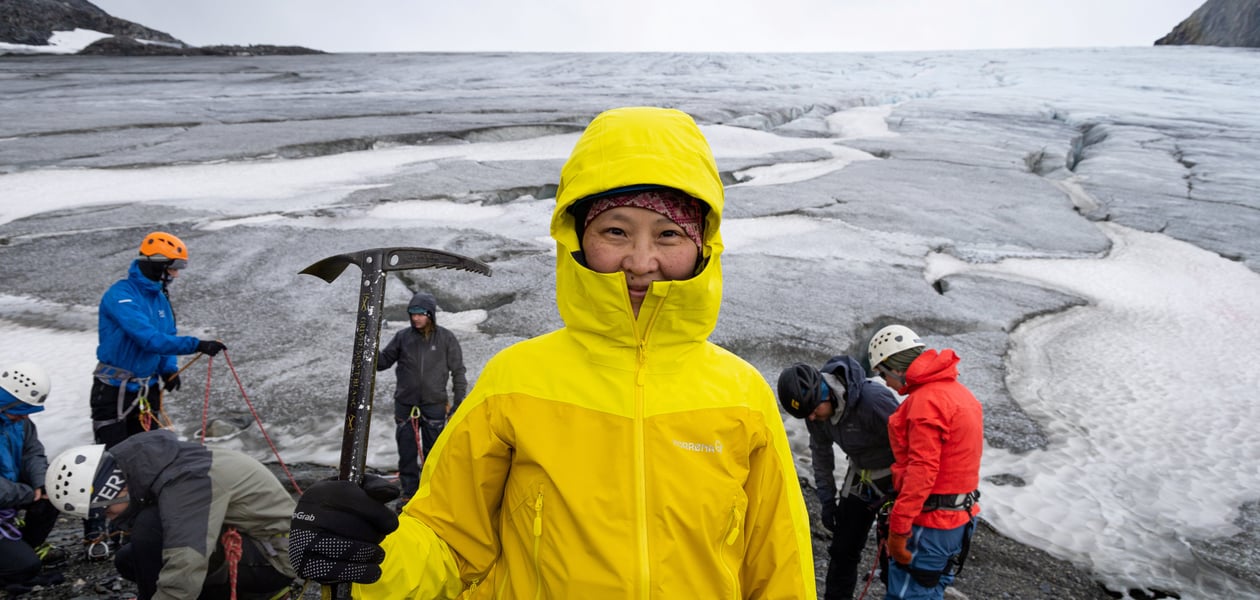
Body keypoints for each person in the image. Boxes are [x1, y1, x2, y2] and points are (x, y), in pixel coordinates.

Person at [287, 106, 817, 598]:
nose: (641, 261)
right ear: (578, 238)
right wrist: (371, 554)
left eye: (668, 234)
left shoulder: (741, 394)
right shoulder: (515, 381)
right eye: (616, 231)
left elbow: (781, 569)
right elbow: (447, 543)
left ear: (702, 245)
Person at [87, 231, 227, 557]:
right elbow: (147, 338)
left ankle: (132, 527)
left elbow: (166, 335)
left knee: (147, 458)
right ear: (157, 264)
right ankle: (95, 533)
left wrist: (167, 369)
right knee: (109, 458)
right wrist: (197, 344)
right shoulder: (121, 295)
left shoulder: (160, 297)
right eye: (174, 266)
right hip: (114, 390)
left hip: (146, 390)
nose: (176, 273)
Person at [45, 429, 297, 600]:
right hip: (253, 541)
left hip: (277, 559)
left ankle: (263, 594)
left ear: (113, 489)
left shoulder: (186, 482)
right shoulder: (155, 465)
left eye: (106, 511)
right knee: (129, 558)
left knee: (149, 529)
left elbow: (187, 560)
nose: (110, 518)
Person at [867, 325, 983, 600]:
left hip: (931, 524)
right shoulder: (959, 393)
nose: (885, 383)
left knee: (908, 594)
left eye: (883, 374)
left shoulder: (925, 402)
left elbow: (922, 471)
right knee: (931, 589)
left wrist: (899, 530)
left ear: (897, 368)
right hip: (961, 519)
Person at [777, 356, 899, 600]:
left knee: (891, 554)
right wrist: (827, 502)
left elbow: (911, 443)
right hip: (860, 477)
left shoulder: (873, 401)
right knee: (842, 550)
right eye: (806, 415)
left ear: (827, 394)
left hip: (895, 479)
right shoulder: (814, 410)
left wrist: (905, 492)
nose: (812, 418)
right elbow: (821, 455)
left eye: (814, 411)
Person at [376, 290, 468, 500]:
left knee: (434, 454)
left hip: (434, 404)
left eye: (420, 314)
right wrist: (370, 348)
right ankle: (409, 495)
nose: (415, 318)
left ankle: (432, 495)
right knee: (407, 454)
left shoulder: (446, 338)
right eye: (412, 314)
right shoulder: (402, 337)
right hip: (405, 404)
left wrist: (458, 403)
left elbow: (458, 371)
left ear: (430, 314)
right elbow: (382, 363)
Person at [0, 362, 66, 593]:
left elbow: (33, 452)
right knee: (26, 568)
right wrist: (28, 493)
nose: (25, 416)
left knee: (52, 495)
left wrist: (41, 483)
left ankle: (24, 547)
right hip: (8, 493)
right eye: (20, 410)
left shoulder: (19, 422)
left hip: (10, 494)